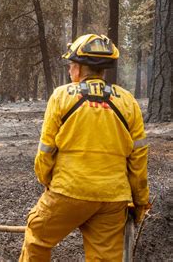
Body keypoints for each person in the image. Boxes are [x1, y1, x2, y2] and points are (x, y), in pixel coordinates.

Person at [19, 34, 150, 261]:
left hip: (68, 191)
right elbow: (138, 159)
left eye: (71, 66)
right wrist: (139, 202)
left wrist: (47, 180)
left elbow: (46, 149)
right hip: (113, 198)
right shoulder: (128, 101)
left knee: (37, 235)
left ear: (79, 68)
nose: (70, 71)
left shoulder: (61, 96)